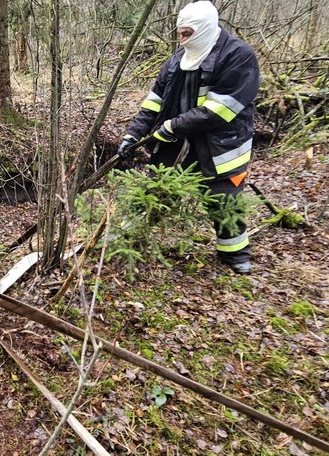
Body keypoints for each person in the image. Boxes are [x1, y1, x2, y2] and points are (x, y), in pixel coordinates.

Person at [117, 1, 260, 274]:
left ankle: (235, 253)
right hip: (177, 141)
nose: (181, 40)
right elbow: (154, 102)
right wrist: (132, 134)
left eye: (186, 33)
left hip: (219, 146)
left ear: (204, 29)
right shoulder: (176, 59)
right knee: (154, 190)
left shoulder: (238, 56)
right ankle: (128, 241)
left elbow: (221, 110)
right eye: (179, 33)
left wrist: (173, 125)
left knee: (224, 200)